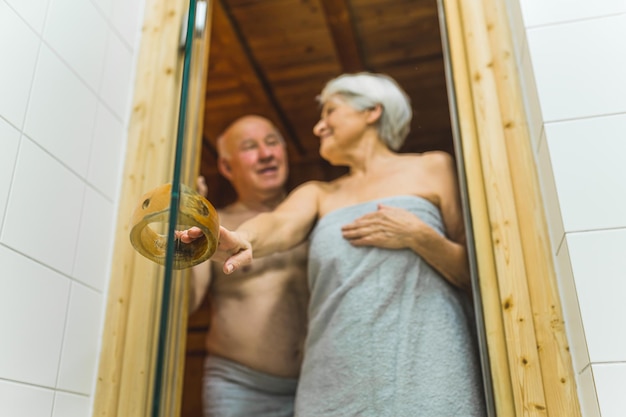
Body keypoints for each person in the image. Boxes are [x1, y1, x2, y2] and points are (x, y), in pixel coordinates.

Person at [181, 73, 486, 416]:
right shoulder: (320, 192)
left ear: (371, 111)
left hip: (425, 368)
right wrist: (244, 239)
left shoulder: (433, 168)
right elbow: (279, 224)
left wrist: (419, 236)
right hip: (336, 379)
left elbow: (474, 275)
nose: (318, 127)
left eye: (330, 112)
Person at [186, 115, 309, 417]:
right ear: (227, 167)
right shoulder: (217, 226)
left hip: (316, 383)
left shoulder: (313, 216)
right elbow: (186, 303)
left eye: (272, 143)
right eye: (250, 147)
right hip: (240, 386)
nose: (266, 154)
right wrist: (190, 215)